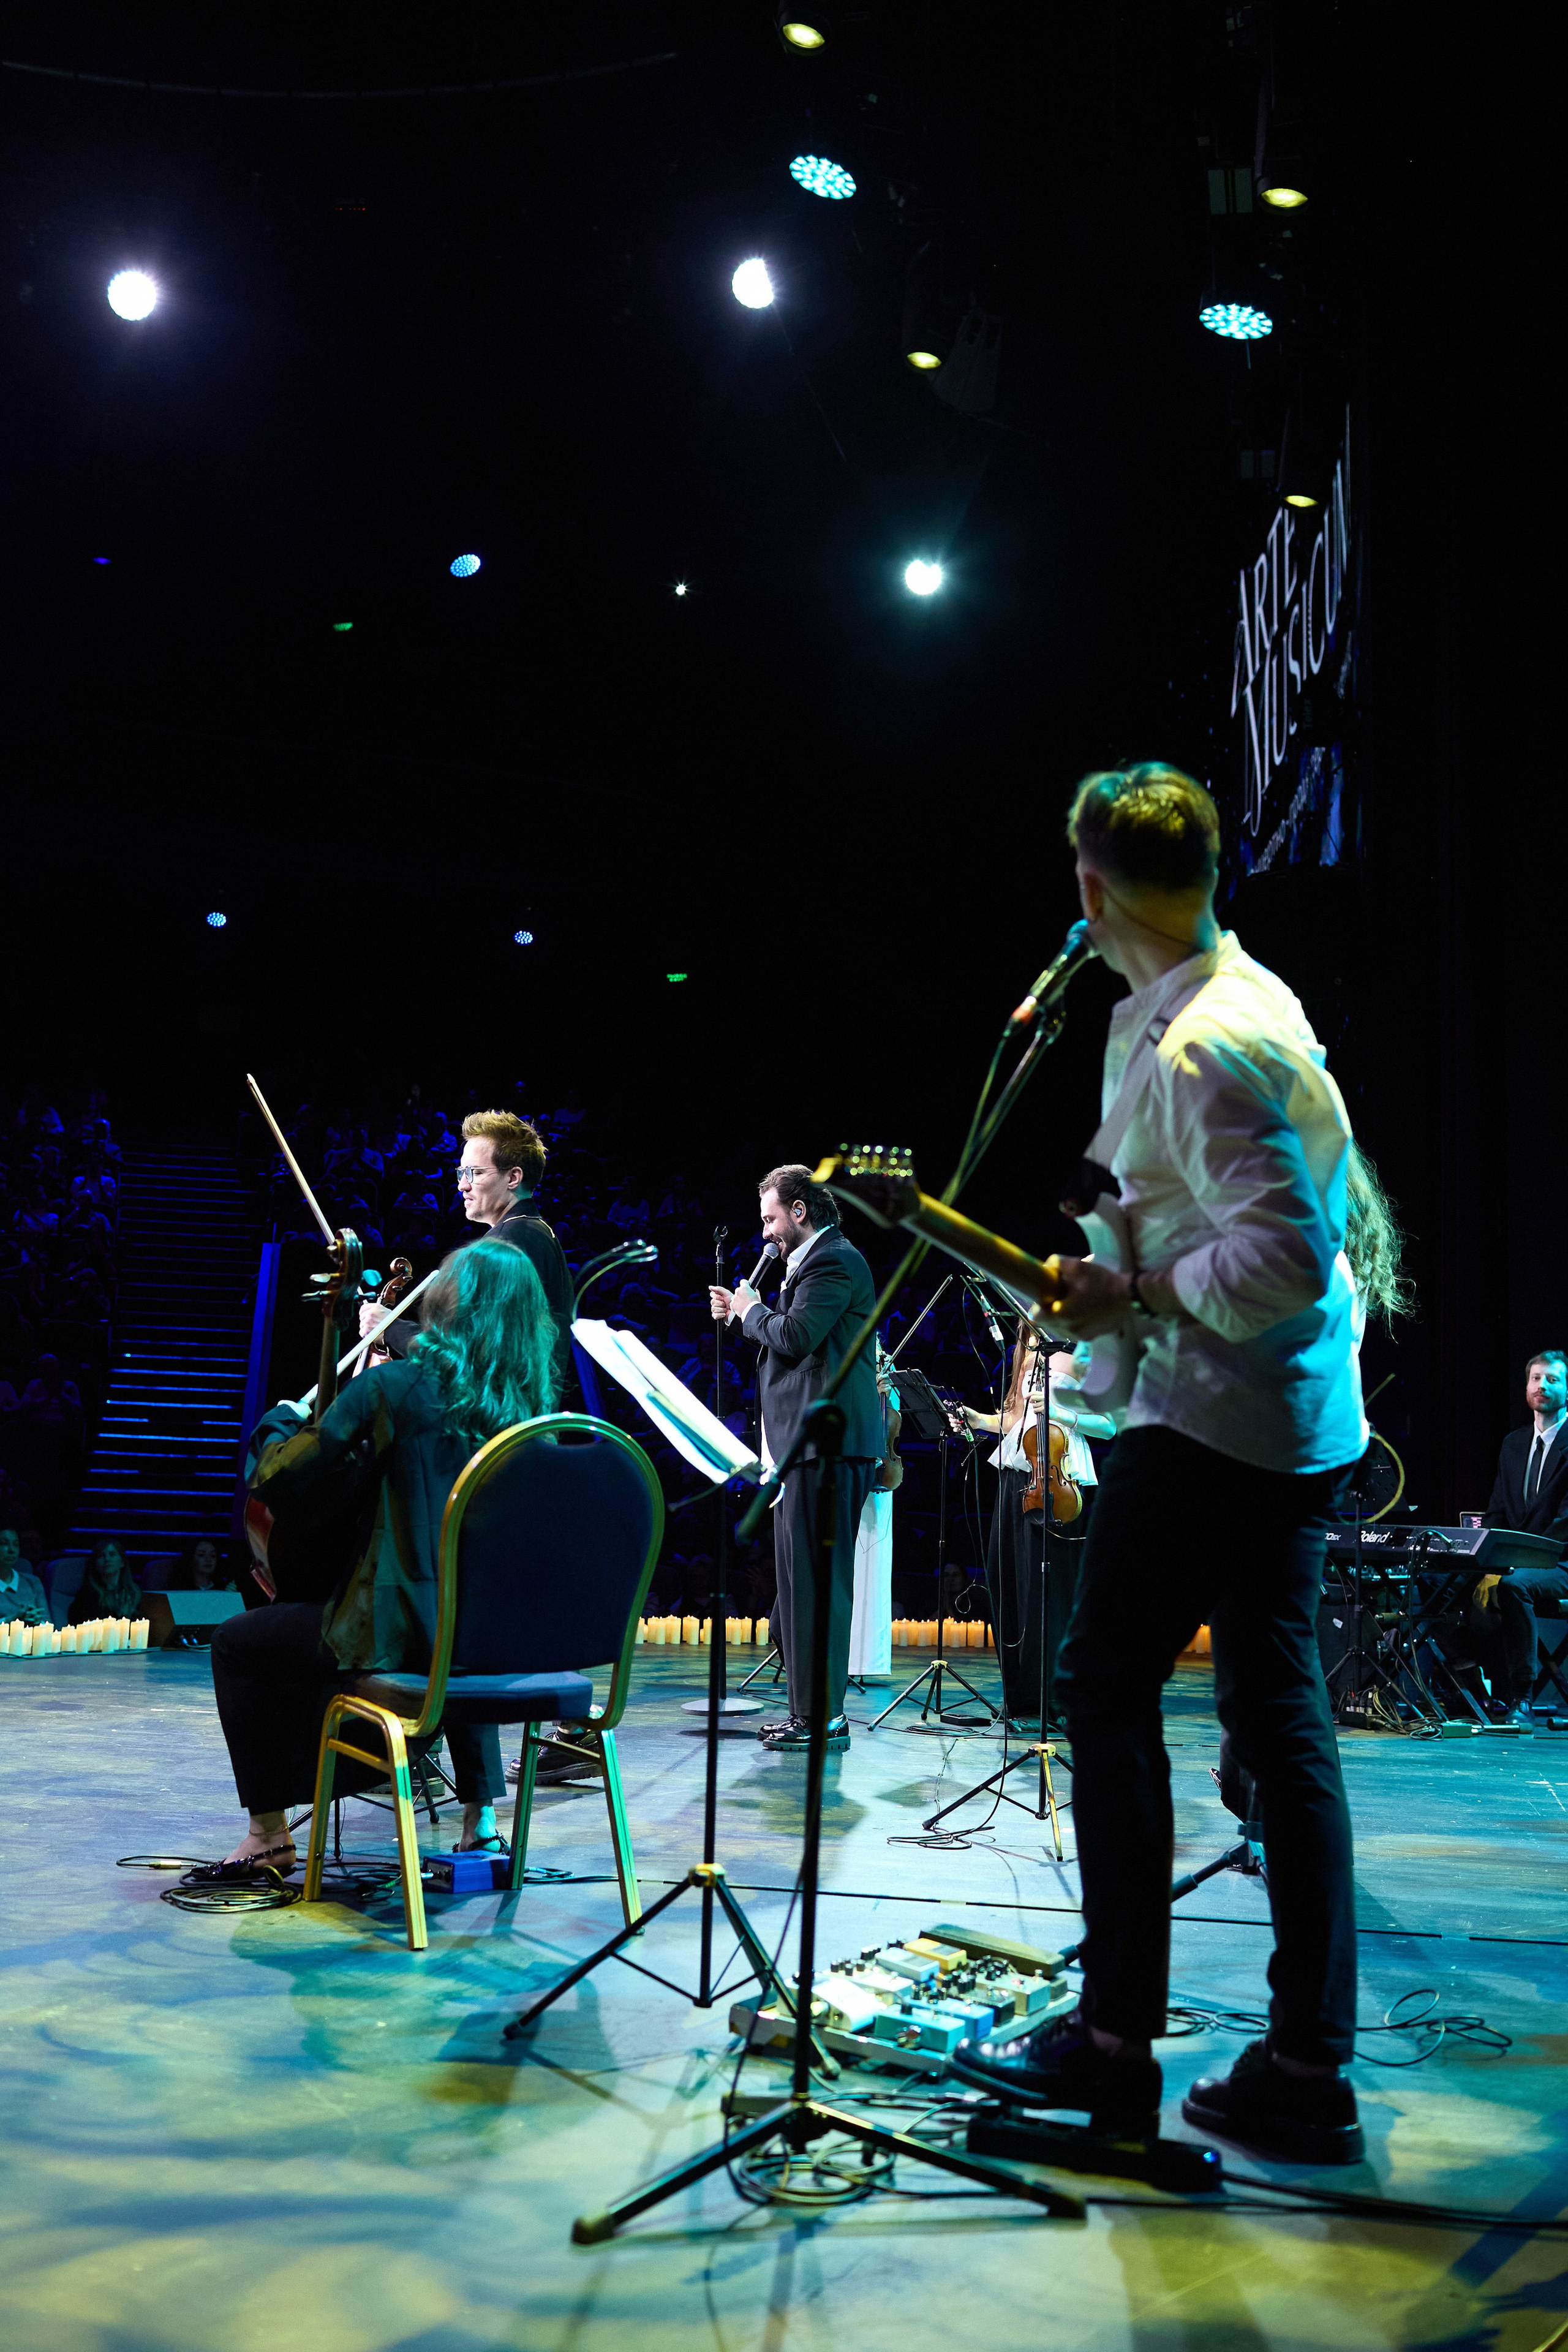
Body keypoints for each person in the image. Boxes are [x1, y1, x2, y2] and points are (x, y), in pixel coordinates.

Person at [954, 763, 1368, 2166]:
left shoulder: (1204, 1041)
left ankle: (1113, 2042)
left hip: (1216, 1421)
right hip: (1270, 1419)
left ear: (1084, 890)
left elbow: (1280, 1260)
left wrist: (1135, 1295)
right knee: (1276, 1720)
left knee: (1103, 1682)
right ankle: (1303, 2066)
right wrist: (1114, 1264)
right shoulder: (1212, 1004)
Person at [206, 1239, 558, 1877]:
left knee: (238, 1643)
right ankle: (480, 1823)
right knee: (456, 1624)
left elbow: (284, 1478)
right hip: (494, 1644)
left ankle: (268, 1832)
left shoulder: (396, 1387)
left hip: (397, 1638)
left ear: (451, 1305)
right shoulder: (532, 1416)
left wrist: (278, 1423)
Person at [710, 1165, 881, 1752]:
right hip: (798, 1451)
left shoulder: (835, 1260)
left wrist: (750, 1311)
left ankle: (825, 1719)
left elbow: (797, 1337)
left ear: (800, 1211)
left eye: (771, 1219)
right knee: (796, 1593)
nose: (766, 1233)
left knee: (818, 1587)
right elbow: (786, 1340)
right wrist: (745, 1315)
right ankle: (810, 1712)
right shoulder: (806, 1265)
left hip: (826, 1448)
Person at [361, 1110, 575, 1401]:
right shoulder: (534, 1233)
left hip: (495, 1433)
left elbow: (465, 1359)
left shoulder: (510, 1243)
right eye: (462, 1173)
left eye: (474, 1173)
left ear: (513, 1177)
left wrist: (390, 1328)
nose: (462, 1185)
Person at [961, 1330, 1117, 1724]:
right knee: (1007, 1581)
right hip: (1018, 1474)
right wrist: (977, 1420)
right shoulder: (1024, 1349)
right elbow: (1015, 1420)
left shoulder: (1088, 1348)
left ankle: (1057, 1699)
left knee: (1050, 1591)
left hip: (1061, 1480)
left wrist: (1061, 1412)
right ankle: (1023, 1698)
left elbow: (1109, 1426)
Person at [1468, 1350, 1568, 1721]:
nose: (1542, 1386)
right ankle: (1466, 1685)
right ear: (1527, 1387)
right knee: (1434, 1580)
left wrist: (1506, 1568)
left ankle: (1521, 1696)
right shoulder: (1513, 1444)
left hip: (1560, 1563)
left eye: (1553, 1380)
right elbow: (1496, 1513)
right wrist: (1485, 1563)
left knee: (1513, 1587)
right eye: (1536, 1378)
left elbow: (1564, 1526)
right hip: (1515, 1561)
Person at [848, 1343, 901, 1683]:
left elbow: (892, 1420)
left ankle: (868, 1660)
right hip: (849, 1466)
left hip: (881, 1473)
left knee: (873, 1567)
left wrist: (885, 1392)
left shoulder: (886, 1370)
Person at [69, 1537, 142, 1625]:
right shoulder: (87, 1595)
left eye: (112, 1554)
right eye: (101, 1556)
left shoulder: (133, 1593)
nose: (107, 1559)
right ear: (95, 1564)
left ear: (122, 1562)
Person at [0, 1522, 49, 1624]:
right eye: (4, 1544)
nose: (12, 1550)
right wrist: (12, 1621)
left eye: (16, 1544)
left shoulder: (33, 1582)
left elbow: (48, 1623)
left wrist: (37, 1621)